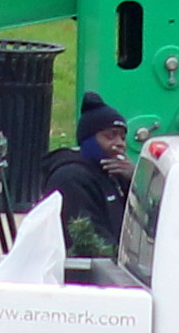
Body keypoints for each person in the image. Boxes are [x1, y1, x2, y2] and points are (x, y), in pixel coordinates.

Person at [41, 94, 130, 252]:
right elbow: (87, 243)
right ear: (88, 140)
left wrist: (136, 180)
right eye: (110, 136)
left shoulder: (116, 173)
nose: (119, 143)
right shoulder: (70, 178)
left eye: (123, 138)